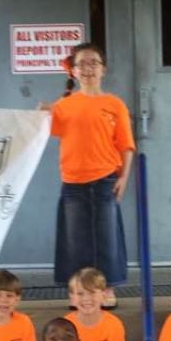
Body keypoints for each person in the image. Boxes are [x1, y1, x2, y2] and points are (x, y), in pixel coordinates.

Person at [43, 42, 135, 308]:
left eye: (93, 62)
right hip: (72, 183)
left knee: (107, 237)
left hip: (106, 179)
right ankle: (79, 292)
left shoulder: (114, 104)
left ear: (103, 69)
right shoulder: (63, 106)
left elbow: (126, 146)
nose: (88, 68)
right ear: (73, 71)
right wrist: (41, 114)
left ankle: (105, 289)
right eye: (81, 63)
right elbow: (41, 131)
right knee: (75, 240)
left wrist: (123, 178)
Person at [64, 267, 127, 341]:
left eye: (92, 293)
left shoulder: (113, 324)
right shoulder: (65, 325)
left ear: (103, 295)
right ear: (71, 298)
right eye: (80, 294)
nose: (86, 299)